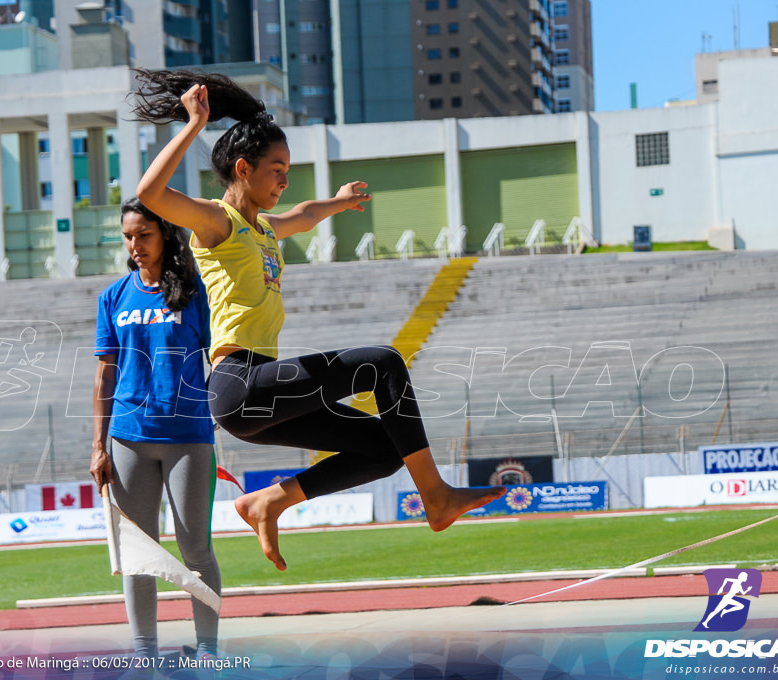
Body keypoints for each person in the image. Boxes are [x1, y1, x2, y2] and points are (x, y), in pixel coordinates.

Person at [130, 70, 507, 572]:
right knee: (382, 364)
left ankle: (268, 502)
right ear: (243, 169)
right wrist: (194, 123)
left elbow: (304, 214)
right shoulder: (219, 222)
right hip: (237, 385)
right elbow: (151, 193)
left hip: (264, 396)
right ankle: (436, 496)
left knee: (382, 449)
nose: (285, 181)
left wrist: (341, 201)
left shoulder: (263, 229)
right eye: (276, 169)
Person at [90, 197, 221, 661]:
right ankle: (144, 655)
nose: (134, 244)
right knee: (138, 554)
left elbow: (221, 359)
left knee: (196, 550)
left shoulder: (196, 289)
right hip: (127, 438)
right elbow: (106, 373)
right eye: (128, 236)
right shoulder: (114, 297)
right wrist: (98, 447)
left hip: (188, 437)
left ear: (164, 234)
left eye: (143, 234)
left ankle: (208, 652)